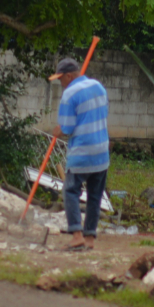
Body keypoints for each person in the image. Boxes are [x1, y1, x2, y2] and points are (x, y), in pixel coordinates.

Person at [49, 56, 109, 251]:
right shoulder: (99, 87)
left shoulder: (69, 95)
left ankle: (76, 235)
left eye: (60, 79)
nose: (60, 83)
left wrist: (57, 131)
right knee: (94, 195)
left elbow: (66, 127)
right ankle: (89, 237)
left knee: (70, 191)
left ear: (68, 76)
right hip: (101, 151)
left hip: (82, 152)